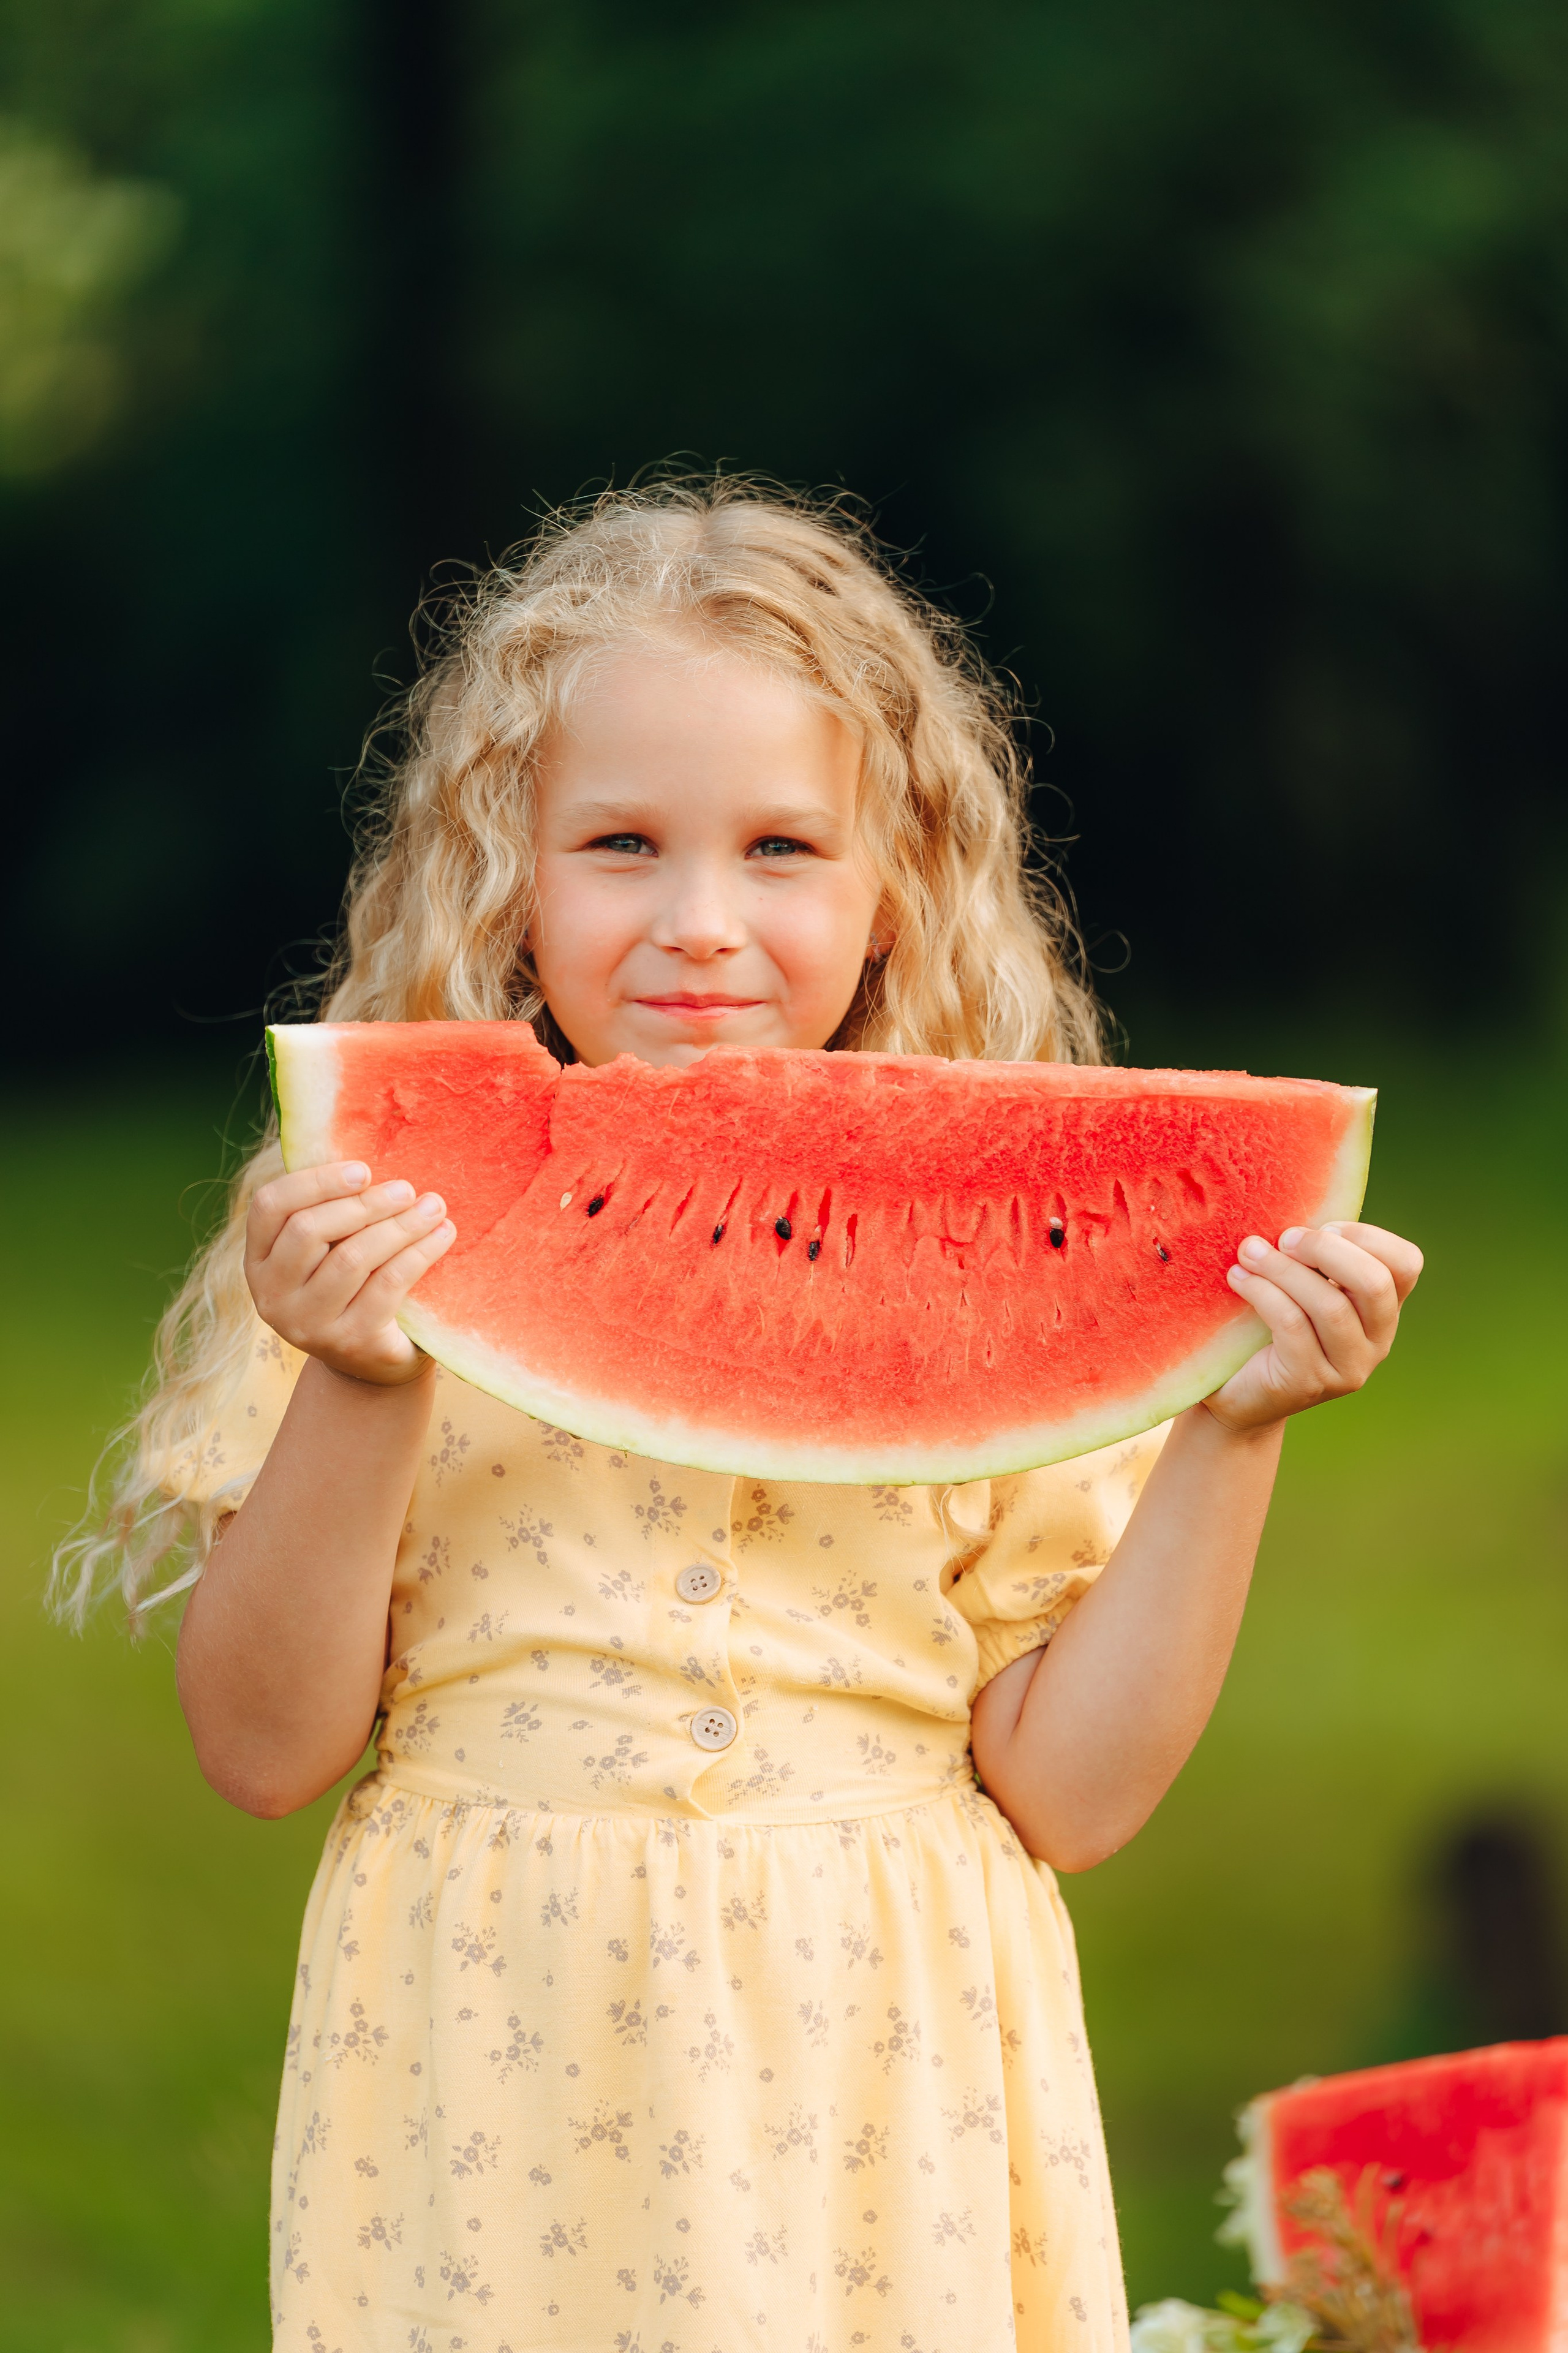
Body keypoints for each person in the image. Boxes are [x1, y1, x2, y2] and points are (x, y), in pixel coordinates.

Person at [59, 480, 1421, 2352]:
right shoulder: (362, 1253)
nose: (702, 924)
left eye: (784, 847)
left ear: (895, 888)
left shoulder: (988, 1265)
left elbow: (1074, 1792)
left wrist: (1232, 1425)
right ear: (504, 874)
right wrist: (365, 1382)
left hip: (892, 2066)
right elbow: (265, 1745)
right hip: (492, 2058)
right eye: (621, 843)